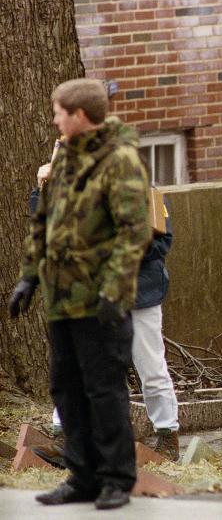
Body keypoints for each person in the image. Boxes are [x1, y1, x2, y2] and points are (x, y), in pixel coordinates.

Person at [9, 78, 152, 510]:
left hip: (101, 303)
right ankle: (82, 475)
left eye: (58, 112)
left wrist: (114, 289)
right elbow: (45, 223)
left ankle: (115, 479)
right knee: (66, 390)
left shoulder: (120, 160)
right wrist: (29, 277)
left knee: (103, 391)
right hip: (63, 300)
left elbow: (134, 232)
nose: (54, 119)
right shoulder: (66, 157)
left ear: (80, 116)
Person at [31, 117, 181, 465]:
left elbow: (160, 244)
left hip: (136, 294)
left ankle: (167, 437)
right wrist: (44, 188)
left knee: (150, 366)